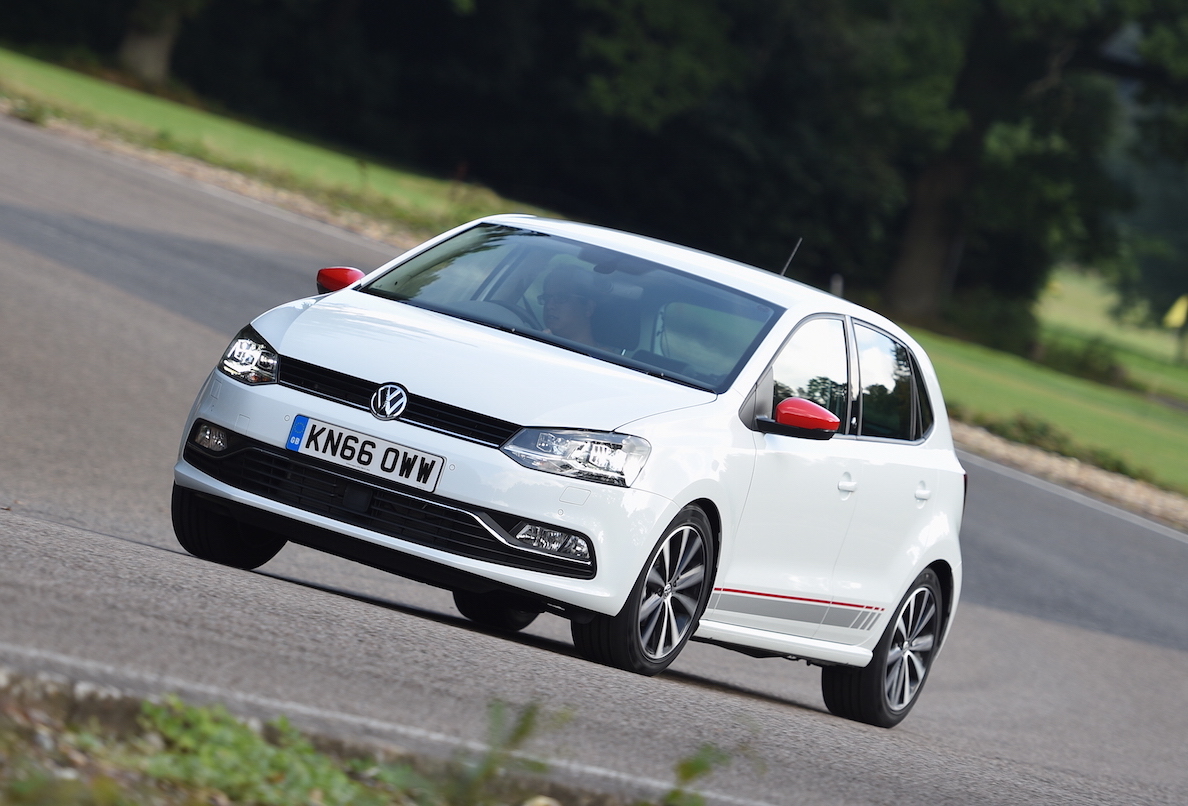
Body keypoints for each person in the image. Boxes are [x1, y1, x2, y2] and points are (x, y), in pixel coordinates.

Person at [539, 265, 604, 347]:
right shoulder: (532, 347)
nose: (549, 306)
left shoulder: (602, 359)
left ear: (588, 308)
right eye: (546, 298)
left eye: (561, 297)